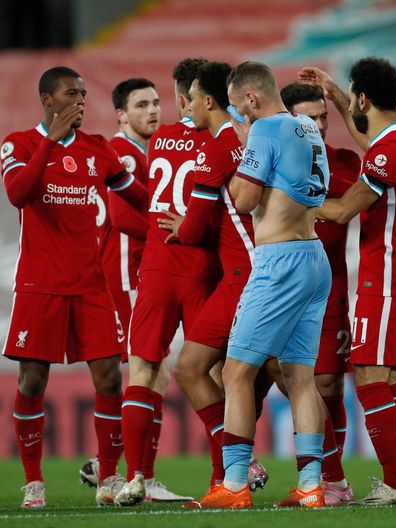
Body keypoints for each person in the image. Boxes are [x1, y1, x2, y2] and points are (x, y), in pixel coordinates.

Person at [0, 66, 147, 508]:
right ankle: (33, 483)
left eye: (84, 94)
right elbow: (17, 194)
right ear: (48, 99)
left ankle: (107, 478)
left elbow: (138, 196)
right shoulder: (20, 143)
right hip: (39, 283)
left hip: (90, 284)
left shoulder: (98, 149)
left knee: (108, 378)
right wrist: (48, 143)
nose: (81, 101)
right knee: (32, 380)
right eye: (71, 93)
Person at [192, 61, 331, 509]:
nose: (239, 118)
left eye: (239, 109)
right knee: (300, 377)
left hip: (279, 261)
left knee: (235, 373)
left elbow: (244, 198)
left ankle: (234, 484)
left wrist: (243, 148)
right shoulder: (307, 126)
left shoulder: (265, 131)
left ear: (251, 99)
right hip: (314, 254)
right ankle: (311, 485)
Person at [299, 58, 396, 506]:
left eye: (352, 95)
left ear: (365, 98)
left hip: (390, 276)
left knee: (370, 379)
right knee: (389, 381)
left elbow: (339, 212)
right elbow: (368, 141)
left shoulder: (387, 151)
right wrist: (337, 96)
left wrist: (290, 198)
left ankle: (395, 482)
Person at [113, 58, 220, 506]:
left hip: (156, 265)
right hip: (199, 266)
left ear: (177, 99)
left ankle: (135, 476)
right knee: (210, 371)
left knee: (142, 369)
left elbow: (144, 198)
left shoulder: (159, 140)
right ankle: (226, 474)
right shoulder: (222, 141)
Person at [79, 78, 191, 502]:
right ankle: (138, 474)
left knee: (148, 371)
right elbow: (124, 216)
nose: (153, 111)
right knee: (151, 370)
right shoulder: (121, 153)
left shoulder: (145, 151)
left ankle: (118, 472)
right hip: (126, 272)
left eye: (156, 102)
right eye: (141, 105)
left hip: (137, 270)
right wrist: (173, 229)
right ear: (121, 115)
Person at [155, 60, 257, 504]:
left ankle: (236, 469)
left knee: (190, 368)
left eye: (192, 99)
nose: (187, 106)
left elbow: (194, 229)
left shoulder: (214, 149)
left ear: (209, 101)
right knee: (291, 376)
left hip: (244, 276)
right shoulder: (246, 137)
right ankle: (325, 478)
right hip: (269, 264)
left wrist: (181, 225)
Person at [279, 82, 359, 505]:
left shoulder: (345, 162)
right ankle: (234, 474)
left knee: (328, 384)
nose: (319, 125)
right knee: (274, 380)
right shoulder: (271, 160)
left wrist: (342, 102)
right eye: (309, 118)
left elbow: (370, 166)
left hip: (329, 288)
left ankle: (328, 479)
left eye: (324, 116)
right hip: (279, 287)